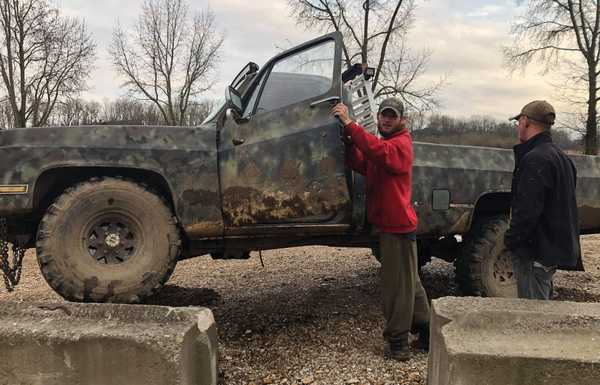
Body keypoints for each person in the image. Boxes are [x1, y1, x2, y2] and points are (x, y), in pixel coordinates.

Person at [331, 98, 430, 361]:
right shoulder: (384, 145)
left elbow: (378, 152)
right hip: (391, 225)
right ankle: (428, 331)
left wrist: (351, 125)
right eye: (383, 115)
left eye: (392, 116)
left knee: (395, 287)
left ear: (402, 120)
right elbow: (363, 163)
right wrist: (351, 144)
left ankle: (398, 342)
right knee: (410, 282)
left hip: (396, 227)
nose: (386, 120)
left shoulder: (401, 145)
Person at [505, 100, 581, 300]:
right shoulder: (562, 158)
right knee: (543, 314)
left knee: (534, 320)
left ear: (525, 121)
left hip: (534, 253)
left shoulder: (535, 159)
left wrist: (511, 241)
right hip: (549, 252)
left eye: (518, 122)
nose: (518, 127)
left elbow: (527, 211)